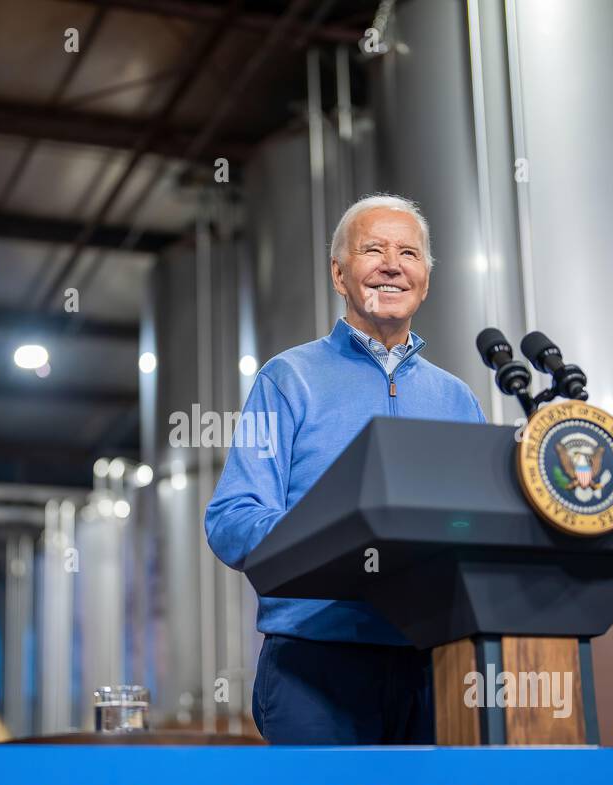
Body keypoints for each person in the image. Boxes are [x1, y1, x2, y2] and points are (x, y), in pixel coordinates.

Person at [204, 193, 486, 745]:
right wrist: (329, 538)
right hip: (316, 661)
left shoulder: (457, 399)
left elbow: (477, 521)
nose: (391, 264)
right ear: (339, 273)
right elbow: (232, 518)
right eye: (372, 249)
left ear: (425, 277)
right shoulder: (288, 378)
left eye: (408, 252)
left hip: (435, 662)